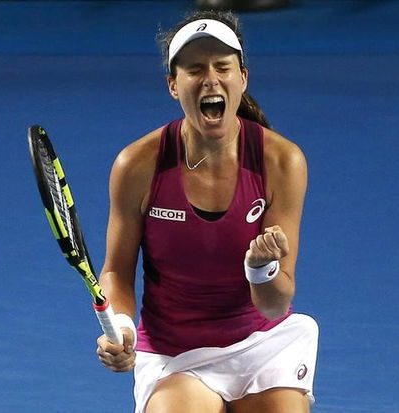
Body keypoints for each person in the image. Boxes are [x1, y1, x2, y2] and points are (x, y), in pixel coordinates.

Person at [96, 10, 318, 413]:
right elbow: (116, 270)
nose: (210, 79)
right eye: (194, 68)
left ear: (242, 78)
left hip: (261, 344)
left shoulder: (282, 161)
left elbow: (275, 304)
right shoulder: (137, 165)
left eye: (222, 66)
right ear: (173, 85)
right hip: (173, 353)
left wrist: (260, 269)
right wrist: (122, 327)